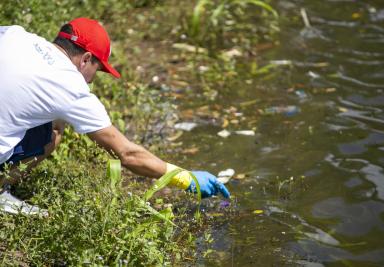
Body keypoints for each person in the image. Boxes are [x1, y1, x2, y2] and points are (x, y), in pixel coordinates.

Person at [0, 18, 230, 215]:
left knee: (52, 117)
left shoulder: (15, 34)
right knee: (53, 133)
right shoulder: (71, 87)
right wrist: (185, 178)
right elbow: (128, 155)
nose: (91, 80)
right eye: (97, 70)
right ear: (86, 58)